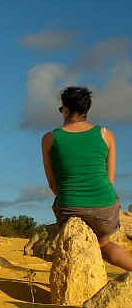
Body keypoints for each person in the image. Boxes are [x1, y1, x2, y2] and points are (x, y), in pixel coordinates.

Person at [41, 85, 132, 271]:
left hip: (69, 207)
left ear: (65, 109)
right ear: (86, 110)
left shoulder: (49, 138)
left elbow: (52, 183)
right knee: (104, 245)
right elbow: (110, 179)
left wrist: (73, 198)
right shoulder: (106, 135)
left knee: (73, 243)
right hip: (104, 208)